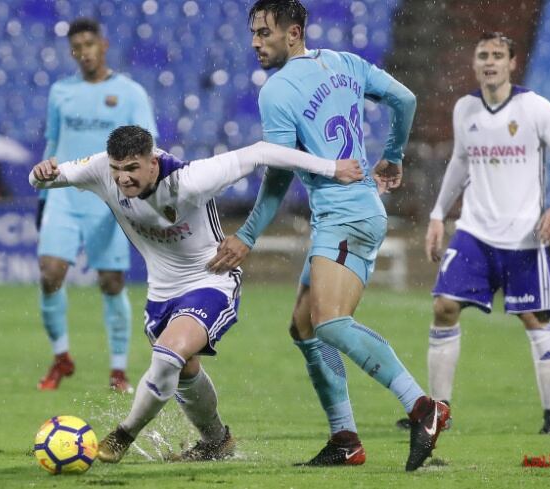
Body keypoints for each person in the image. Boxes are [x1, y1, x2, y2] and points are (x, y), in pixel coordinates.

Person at [29, 125, 364, 463]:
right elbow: (46, 178)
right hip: (161, 292)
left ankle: (122, 435)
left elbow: (262, 150)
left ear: (152, 162)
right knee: (184, 370)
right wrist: (38, 174)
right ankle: (216, 441)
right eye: (117, 170)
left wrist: (331, 168)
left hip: (210, 281)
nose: (122, 179)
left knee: (168, 354)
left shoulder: (191, 179)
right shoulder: (102, 168)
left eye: (131, 169)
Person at [206, 0, 447, 471]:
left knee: (330, 323)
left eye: (264, 33)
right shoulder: (344, 63)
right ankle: (344, 440)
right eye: (253, 33)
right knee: (304, 326)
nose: (255, 43)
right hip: (358, 209)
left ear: (293, 33)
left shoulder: (277, 91)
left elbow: (278, 174)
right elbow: (406, 99)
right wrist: (393, 154)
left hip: (344, 217)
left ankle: (423, 407)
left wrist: (248, 236)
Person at [395, 32, 550, 435]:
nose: (490, 61)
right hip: (474, 232)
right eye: (483, 55)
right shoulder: (466, 108)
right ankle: (438, 413)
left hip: (523, 237)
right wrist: (439, 215)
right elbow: (460, 162)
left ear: (513, 63)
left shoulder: (534, 107)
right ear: (474, 64)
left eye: (498, 55)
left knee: (535, 318)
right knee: (443, 306)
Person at [35, 18, 158, 392]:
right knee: (50, 274)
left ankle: (118, 371)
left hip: (108, 201)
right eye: (77, 46)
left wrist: (139, 195)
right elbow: (53, 142)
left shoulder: (131, 93)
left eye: (89, 43)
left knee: (110, 281)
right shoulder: (61, 92)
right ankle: (61, 357)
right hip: (63, 196)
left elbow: (147, 147)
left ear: (103, 45)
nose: (84, 52)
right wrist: (42, 196)